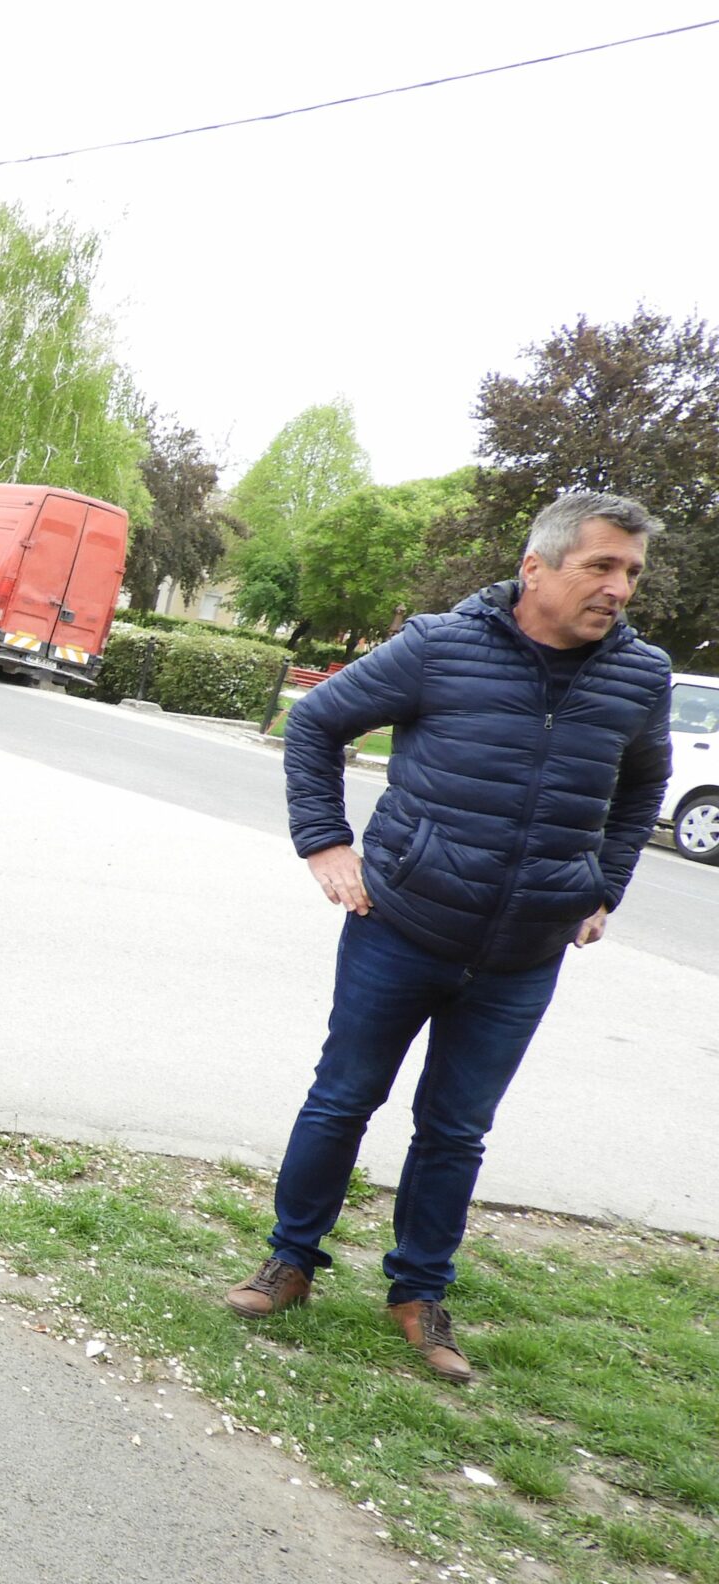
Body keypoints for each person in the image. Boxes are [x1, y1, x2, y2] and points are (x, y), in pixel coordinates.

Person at [226, 492, 674, 1380]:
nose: (619, 588)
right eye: (601, 566)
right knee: (343, 1099)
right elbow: (315, 723)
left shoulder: (641, 675)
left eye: (631, 572)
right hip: (402, 925)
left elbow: (639, 791)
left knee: (457, 1130)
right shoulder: (441, 645)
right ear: (537, 568)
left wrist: (603, 888)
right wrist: (325, 843)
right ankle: (290, 1262)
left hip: (524, 953)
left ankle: (419, 1293)